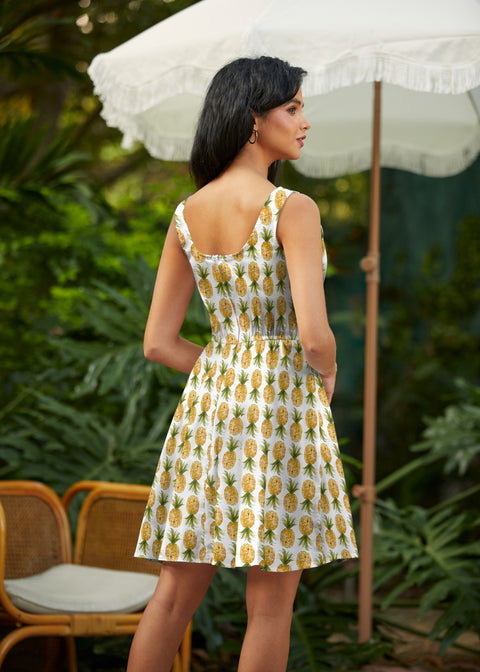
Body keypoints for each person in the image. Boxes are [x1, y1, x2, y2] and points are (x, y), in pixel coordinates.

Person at [127, 56, 357, 672]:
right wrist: (326, 373)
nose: (305, 121)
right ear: (254, 119)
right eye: (293, 107)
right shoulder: (292, 207)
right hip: (282, 412)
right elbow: (314, 335)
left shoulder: (186, 213)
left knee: (172, 596)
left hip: (209, 412)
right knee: (271, 608)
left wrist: (231, 368)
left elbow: (158, 343)